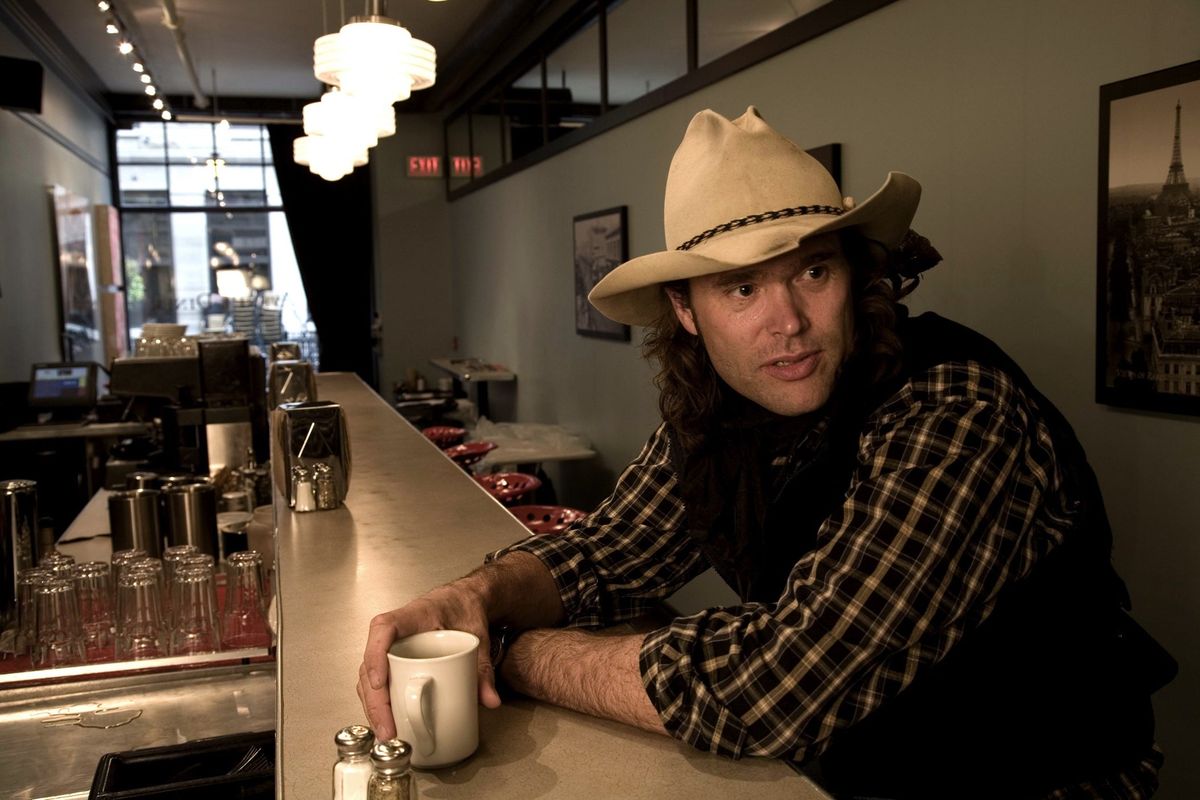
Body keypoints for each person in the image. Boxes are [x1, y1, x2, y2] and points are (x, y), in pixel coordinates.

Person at [358, 107, 1174, 799]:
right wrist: (475, 596)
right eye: (742, 288)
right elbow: (609, 553)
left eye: (812, 272)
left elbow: (777, 686)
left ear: (855, 275)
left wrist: (516, 654)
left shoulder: (956, 410)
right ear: (686, 311)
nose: (787, 323)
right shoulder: (725, 404)